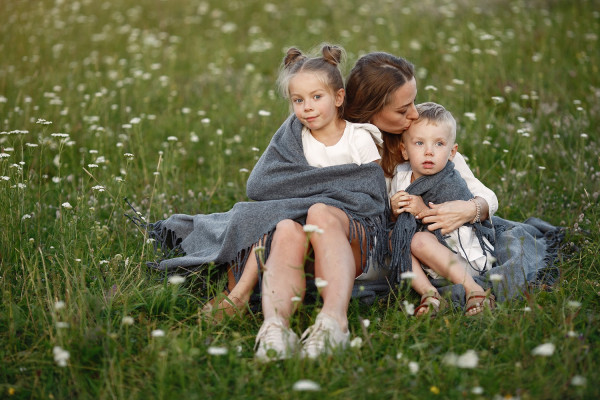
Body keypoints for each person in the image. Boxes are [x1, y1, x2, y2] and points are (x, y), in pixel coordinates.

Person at [143, 44, 389, 362]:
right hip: (306, 247)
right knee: (284, 225)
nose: (307, 108)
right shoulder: (293, 138)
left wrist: (316, 200)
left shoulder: (358, 137)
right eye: (298, 100)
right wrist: (318, 196)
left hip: (352, 241)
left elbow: (371, 198)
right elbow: (259, 186)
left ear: (338, 98)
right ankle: (276, 327)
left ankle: (333, 323)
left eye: (317, 97)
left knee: (318, 211)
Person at [388, 102, 495, 316]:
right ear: (405, 150)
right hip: (427, 261)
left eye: (439, 144)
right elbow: (394, 221)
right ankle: (430, 294)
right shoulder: (400, 175)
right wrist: (393, 208)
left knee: (418, 240)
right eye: (419, 143)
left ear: (452, 152)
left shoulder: (450, 176)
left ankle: (474, 290)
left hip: (462, 252)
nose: (429, 152)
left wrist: (420, 210)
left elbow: (469, 200)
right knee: (394, 238)